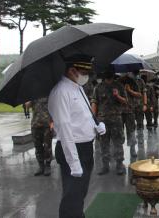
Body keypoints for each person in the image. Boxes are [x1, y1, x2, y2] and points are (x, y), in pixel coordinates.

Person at [48, 54, 106, 218]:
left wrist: (96, 127)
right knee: (72, 196)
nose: (86, 76)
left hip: (85, 148)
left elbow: (82, 117)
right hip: (72, 150)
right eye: (83, 72)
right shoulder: (60, 91)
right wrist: (74, 163)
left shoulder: (77, 88)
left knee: (80, 193)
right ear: (72, 70)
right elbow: (65, 130)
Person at [91, 67, 127, 175]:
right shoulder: (98, 87)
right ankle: (105, 165)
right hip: (102, 121)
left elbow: (125, 101)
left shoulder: (119, 86)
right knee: (103, 144)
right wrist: (93, 118)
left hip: (116, 119)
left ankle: (119, 165)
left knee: (118, 143)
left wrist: (117, 96)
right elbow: (94, 102)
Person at [25, 97, 53, 176]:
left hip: (47, 124)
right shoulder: (33, 94)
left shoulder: (49, 94)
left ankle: (47, 165)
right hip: (35, 124)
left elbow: (55, 108)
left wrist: (52, 122)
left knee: (47, 146)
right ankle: (41, 166)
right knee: (37, 146)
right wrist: (28, 104)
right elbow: (27, 106)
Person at [118, 73, 139, 158]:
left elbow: (139, 95)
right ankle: (119, 152)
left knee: (131, 131)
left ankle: (132, 149)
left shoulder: (132, 82)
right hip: (119, 112)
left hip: (130, 111)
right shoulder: (117, 82)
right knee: (119, 132)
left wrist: (129, 90)